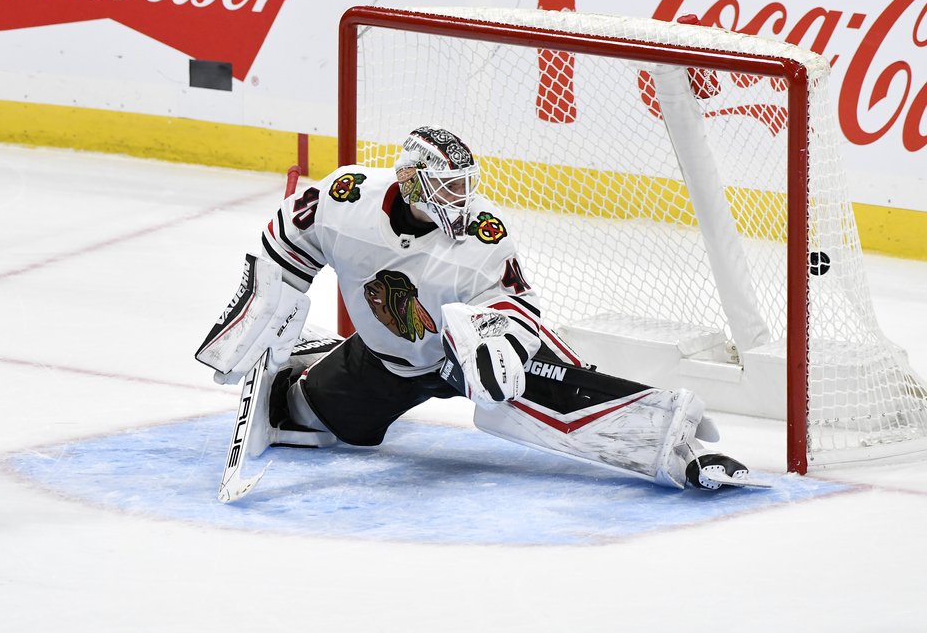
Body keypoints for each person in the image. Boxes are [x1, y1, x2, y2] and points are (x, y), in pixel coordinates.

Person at [197, 126, 757, 493]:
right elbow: (288, 244)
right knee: (304, 418)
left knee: (535, 388)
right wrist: (266, 307)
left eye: (465, 184)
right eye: (447, 185)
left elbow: (518, 303)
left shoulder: (485, 236)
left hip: (459, 356)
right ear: (410, 181)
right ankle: (309, 360)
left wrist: (501, 342)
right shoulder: (347, 197)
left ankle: (669, 443)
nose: (461, 198)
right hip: (384, 360)